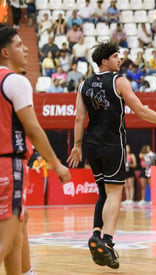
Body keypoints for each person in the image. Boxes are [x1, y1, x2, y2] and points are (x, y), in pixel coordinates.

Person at [67, 41, 156, 269]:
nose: (119, 59)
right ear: (105, 60)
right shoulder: (119, 81)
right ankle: (107, 241)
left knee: (103, 191)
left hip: (91, 145)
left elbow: (79, 119)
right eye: (115, 56)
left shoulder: (84, 84)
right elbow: (141, 111)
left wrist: (76, 146)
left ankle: (95, 233)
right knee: (115, 194)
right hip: (113, 144)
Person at [0, 24, 71, 275]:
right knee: (6, 240)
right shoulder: (14, 81)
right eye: (19, 45)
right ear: (5, 52)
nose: (26, 49)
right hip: (8, 165)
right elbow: (33, 130)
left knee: (21, 222)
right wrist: (57, 164)